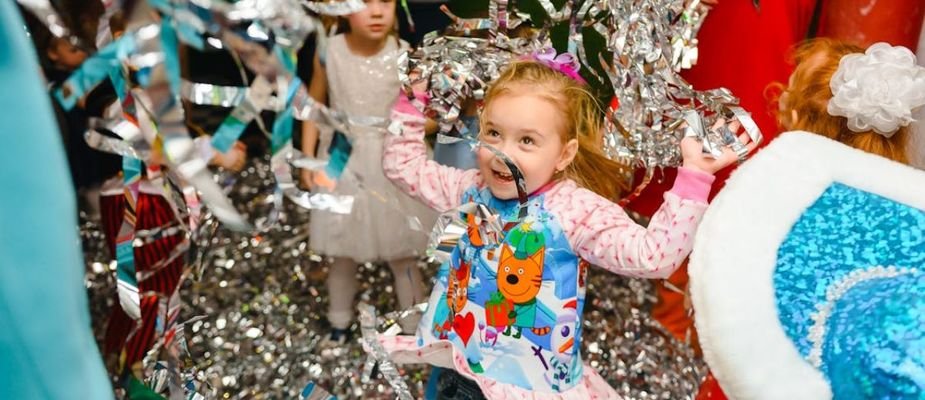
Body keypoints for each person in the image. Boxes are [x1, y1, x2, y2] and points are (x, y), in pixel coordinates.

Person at [378, 54, 754, 397]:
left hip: (527, 388)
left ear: (564, 154)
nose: (502, 153)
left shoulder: (574, 211)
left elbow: (653, 257)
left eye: (527, 140)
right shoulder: (469, 190)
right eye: (493, 133)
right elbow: (403, 167)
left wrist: (694, 176)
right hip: (457, 368)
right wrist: (410, 104)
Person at [300, 0, 435, 345]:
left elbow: (425, 114)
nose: (377, 12)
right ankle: (339, 321)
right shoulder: (329, 52)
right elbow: (314, 105)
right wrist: (307, 157)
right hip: (341, 158)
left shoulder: (405, 55)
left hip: (391, 160)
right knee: (341, 248)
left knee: (403, 252)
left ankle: (414, 329)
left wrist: (412, 128)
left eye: (385, 2)